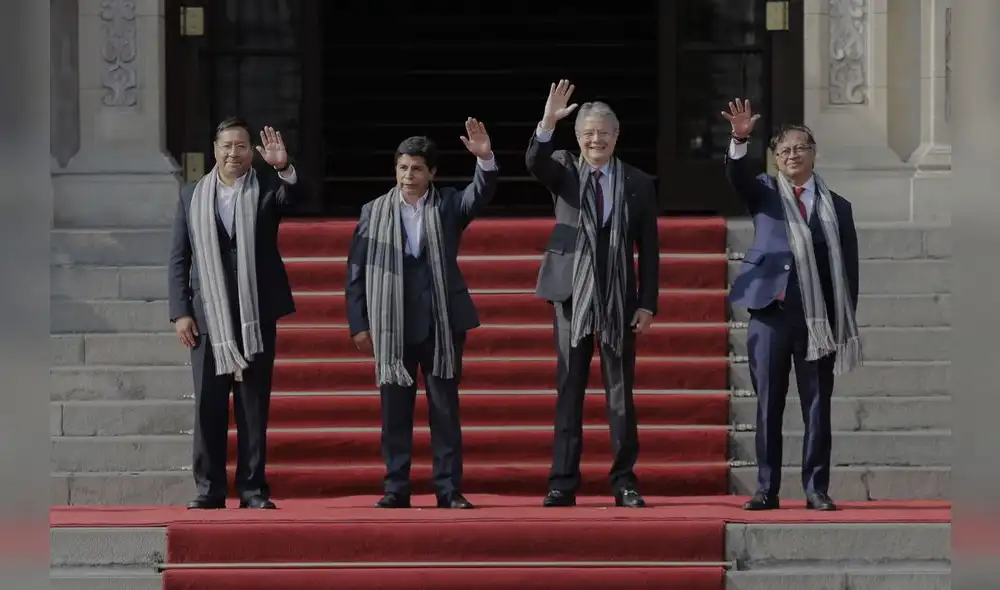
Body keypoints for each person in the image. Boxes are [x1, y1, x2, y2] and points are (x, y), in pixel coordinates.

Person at [345, 119, 499, 509]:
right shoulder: (373, 211)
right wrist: (360, 325)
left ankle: (448, 489)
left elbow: (478, 195)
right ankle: (396, 487)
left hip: (441, 323)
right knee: (395, 414)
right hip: (391, 326)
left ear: (432, 172)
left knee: (444, 411)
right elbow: (356, 273)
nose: (408, 175)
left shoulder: (448, 204)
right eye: (402, 167)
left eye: (416, 168)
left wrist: (485, 159)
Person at [722, 98, 862, 511]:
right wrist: (740, 137)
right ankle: (766, 489)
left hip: (817, 321)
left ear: (814, 153)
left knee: (817, 407)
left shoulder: (838, 207)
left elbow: (848, 271)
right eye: (784, 150)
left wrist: (842, 321)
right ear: (776, 159)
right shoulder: (764, 192)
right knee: (768, 404)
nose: (792, 155)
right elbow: (736, 175)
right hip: (770, 315)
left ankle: (816, 488)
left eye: (800, 148)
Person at [526, 80, 660, 508]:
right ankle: (562, 482)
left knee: (620, 393)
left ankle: (624, 481)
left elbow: (650, 249)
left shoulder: (638, 182)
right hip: (571, 297)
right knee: (570, 389)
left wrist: (647, 302)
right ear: (577, 136)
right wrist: (548, 120)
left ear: (616, 136)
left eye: (603, 132)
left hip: (619, 298)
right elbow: (534, 160)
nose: (596, 139)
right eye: (588, 132)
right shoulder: (563, 167)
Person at [168, 118, 303, 510]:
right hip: (208, 318)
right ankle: (209, 489)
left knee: (252, 406)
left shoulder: (266, 190)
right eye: (227, 146)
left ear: (251, 152)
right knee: (208, 406)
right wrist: (181, 312)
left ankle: (252, 489)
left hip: (254, 314)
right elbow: (179, 258)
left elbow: (296, 198)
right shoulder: (191, 195)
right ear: (215, 150)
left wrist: (283, 167)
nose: (233, 153)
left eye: (241, 146)